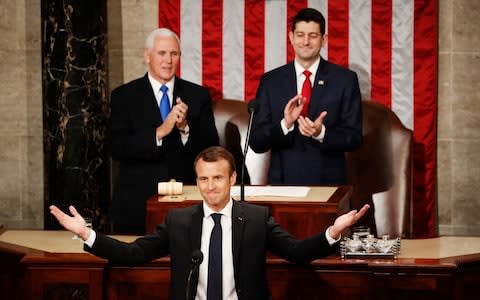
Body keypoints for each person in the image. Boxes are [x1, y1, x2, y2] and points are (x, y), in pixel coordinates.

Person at [50, 146, 369, 300]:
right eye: (204, 178)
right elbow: (135, 253)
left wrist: (332, 231)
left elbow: (297, 252)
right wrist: (87, 234)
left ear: (232, 178)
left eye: (218, 177)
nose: (211, 185)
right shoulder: (179, 220)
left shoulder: (255, 218)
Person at [108, 28, 219, 234]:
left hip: (186, 202)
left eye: (174, 54)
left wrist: (185, 128)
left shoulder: (198, 95)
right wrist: (159, 132)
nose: (168, 60)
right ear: (147, 56)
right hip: (136, 204)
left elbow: (211, 149)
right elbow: (117, 147)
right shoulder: (124, 95)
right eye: (162, 53)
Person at [249, 8, 363, 185]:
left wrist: (321, 133)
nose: (306, 42)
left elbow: (354, 138)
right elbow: (256, 142)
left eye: (313, 35)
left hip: (329, 185)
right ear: (291, 37)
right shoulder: (271, 81)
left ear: (324, 40)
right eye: (300, 35)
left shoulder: (345, 80)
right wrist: (285, 124)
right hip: (283, 184)